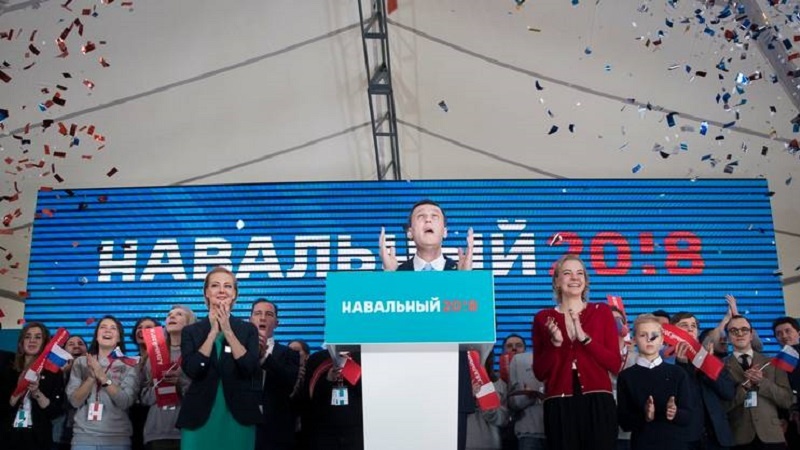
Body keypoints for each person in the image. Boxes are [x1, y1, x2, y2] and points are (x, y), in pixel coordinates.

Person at [379, 198, 475, 450]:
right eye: (421, 216)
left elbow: (477, 329)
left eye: (435, 216)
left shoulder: (462, 273)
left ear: (445, 230)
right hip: (404, 388)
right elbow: (385, 328)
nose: (429, 219)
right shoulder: (395, 275)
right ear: (410, 232)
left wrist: (466, 282)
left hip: (452, 388)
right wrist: (390, 281)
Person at [532, 254, 621, 450]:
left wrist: (585, 339)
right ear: (556, 281)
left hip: (598, 401)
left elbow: (615, 364)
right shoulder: (543, 318)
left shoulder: (602, 311)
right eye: (567, 273)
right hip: (559, 402)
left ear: (586, 281)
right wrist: (555, 344)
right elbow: (540, 372)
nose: (574, 278)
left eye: (580, 273)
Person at [176, 266, 262, 450]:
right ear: (206, 292)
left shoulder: (248, 330)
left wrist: (228, 331)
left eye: (228, 286)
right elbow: (193, 369)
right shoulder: (191, 331)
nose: (222, 290)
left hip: (239, 415)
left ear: (235, 294)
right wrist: (212, 334)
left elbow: (249, 368)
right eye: (215, 285)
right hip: (199, 416)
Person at [617, 314, 693, 450]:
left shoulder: (678, 373)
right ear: (634, 339)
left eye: (654, 335)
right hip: (642, 444)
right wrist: (645, 416)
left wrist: (675, 413)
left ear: (662, 339)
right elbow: (624, 422)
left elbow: (688, 416)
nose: (649, 339)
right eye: (643, 335)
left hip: (675, 444)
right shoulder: (626, 377)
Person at [66, 315, 140, 450]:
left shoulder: (130, 365)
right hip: (83, 438)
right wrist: (91, 378)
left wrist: (102, 376)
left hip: (117, 439)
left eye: (113, 328)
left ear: (119, 338)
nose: (107, 330)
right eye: (103, 327)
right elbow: (75, 402)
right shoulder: (81, 362)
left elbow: (125, 402)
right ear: (96, 335)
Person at [724, 315, 793, 449]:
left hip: (772, 436)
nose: (740, 333)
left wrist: (762, 382)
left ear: (751, 335)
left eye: (744, 329)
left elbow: (787, 400)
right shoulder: (721, 366)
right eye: (733, 330)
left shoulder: (773, 363)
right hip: (738, 436)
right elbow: (720, 407)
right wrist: (744, 388)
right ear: (728, 337)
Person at [670, 312, 736, 450]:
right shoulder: (665, 360)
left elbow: (728, 392)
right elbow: (680, 396)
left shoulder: (712, 358)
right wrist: (682, 365)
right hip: (685, 438)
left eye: (693, 326)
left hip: (717, 437)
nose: (690, 329)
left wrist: (707, 366)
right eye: (684, 325)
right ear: (673, 331)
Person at [0, 322, 65, 449]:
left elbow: (55, 412)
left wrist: (37, 393)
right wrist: (17, 393)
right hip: (6, 435)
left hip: (38, 437)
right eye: (27, 336)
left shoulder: (53, 372)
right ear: (21, 342)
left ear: (45, 342)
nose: (32, 340)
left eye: (38, 337)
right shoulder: (7, 367)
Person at [140, 305, 195, 450]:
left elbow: (203, 393)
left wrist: (180, 383)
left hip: (188, 431)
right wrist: (160, 386)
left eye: (179, 314)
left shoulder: (197, 355)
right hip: (157, 433)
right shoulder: (153, 356)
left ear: (190, 322)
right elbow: (143, 397)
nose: (172, 316)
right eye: (169, 314)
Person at [249, 299, 300, 450]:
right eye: (258, 313)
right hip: (241, 426)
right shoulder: (237, 350)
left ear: (277, 323)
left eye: (269, 314)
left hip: (275, 431)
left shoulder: (289, 354)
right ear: (250, 320)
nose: (263, 318)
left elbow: (289, 383)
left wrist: (265, 357)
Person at [299, 347, 363, 450]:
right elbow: (309, 398)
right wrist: (328, 379)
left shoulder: (363, 357)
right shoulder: (317, 359)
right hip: (325, 432)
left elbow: (371, 393)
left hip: (356, 431)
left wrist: (349, 370)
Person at [465, 352, 509, 450]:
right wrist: (468, 397)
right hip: (465, 443)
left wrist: (488, 405)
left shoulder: (499, 384)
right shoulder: (456, 383)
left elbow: (503, 420)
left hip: (491, 443)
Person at [53, 335, 88, 450]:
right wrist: (62, 374)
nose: (77, 347)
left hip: (87, 434)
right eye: (71, 344)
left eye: (81, 344)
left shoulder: (95, 372)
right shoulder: (54, 373)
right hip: (60, 434)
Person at [507, 349, 546, 450]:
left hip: (560, 431)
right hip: (529, 433)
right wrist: (527, 396)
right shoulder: (519, 360)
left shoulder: (564, 357)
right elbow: (512, 402)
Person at [130, 317, 158, 450]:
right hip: (132, 419)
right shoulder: (128, 361)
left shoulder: (165, 360)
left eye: (148, 328)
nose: (142, 331)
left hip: (156, 417)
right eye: (139, 327)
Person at [771, 316, 800, 449]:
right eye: (779, 333)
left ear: (798, 332)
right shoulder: (777, 363)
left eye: (788, 331)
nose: (784, 336)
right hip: (790, 420)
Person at [611, 306, 637, 450]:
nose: (615, 324)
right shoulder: (592, 358)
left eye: (618, 320)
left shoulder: (639, 359)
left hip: (630, 433)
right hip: (601, 430)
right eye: (609, 320)